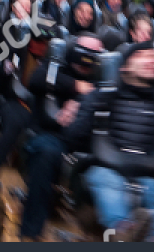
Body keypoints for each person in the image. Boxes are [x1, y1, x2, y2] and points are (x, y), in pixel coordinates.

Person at [62, 43, 154, 241]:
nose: (151, 60)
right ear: (124, 66)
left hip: (149, 173)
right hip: (108, 169)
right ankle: (122, 232)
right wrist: (92, 106)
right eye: (142, 55)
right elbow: (72, 138)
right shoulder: (104, 95)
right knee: (106, 180)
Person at [19, 34, 104, 241]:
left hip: (88, 138)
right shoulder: (57, 64)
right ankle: (30, 232)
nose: (87, 61)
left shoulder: (102, 75)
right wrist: (75, 86)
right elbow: (36, 80)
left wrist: (82, 103)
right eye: (84, 53)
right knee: (46, 153)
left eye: (94, 56)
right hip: (51, 134)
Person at [0, 0, 37, 203]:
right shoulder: (5, 27)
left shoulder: (37, 29)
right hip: (10, 87)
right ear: (13, 7)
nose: (23, 8)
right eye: (20, 4)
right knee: (15, 122)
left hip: (33, 91)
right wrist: (2, 64)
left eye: (27, 4)